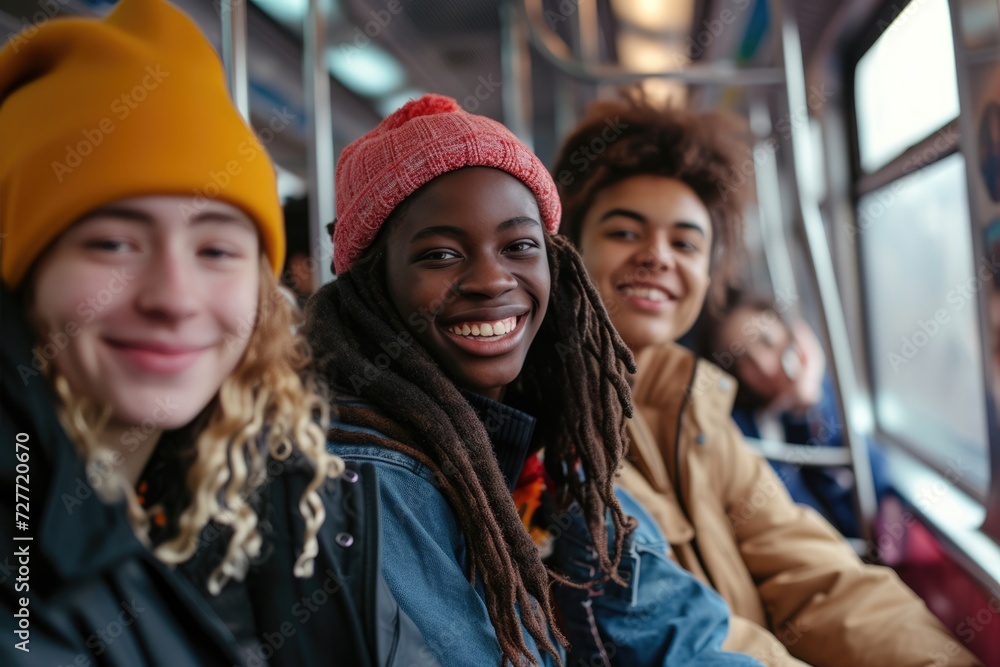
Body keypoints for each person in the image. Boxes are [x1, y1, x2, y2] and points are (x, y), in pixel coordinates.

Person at [0, 1, 427, 665]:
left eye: (216, 251)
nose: (173, 297)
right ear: (19, 274)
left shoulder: (288, 498)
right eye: (111, 243)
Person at [303, 93, 754, 667]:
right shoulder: (365, 478)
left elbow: (681, 643)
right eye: (440, 254)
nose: (492, 280)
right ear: (372, 286)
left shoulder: (552, 449)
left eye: (519, 246)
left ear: (556, 264)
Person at [551, 93, 983, 667]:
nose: (657, 256)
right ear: (571, 250)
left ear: (707, 275)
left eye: (685, 243)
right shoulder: (556, 436)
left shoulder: (694, 411)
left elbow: (815, 574)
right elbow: (689, 645)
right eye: (625, 233)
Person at [698, 291, 890, 538]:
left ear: (793, 334)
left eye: (767, 342)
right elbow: (791, 520)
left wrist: (809, 403)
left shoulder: (824, 396)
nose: (764, 366)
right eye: (743, 360)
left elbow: (876, 482)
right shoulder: (742, 432)